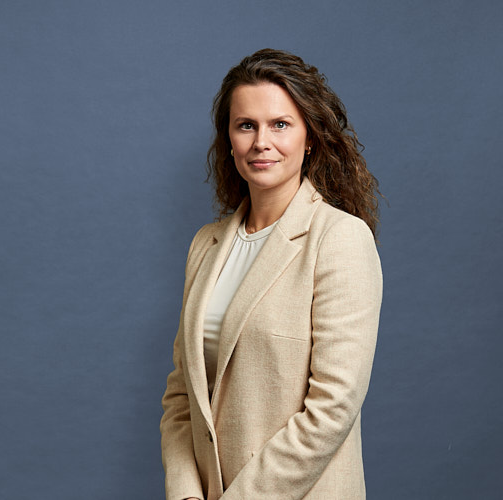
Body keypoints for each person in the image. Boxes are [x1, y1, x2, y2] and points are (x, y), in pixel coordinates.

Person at [159, 48, 383, 500]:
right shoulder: (206, 244)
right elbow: (182, 396)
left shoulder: (340, 239)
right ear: (229, 139)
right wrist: (185, 494)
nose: (262, 141)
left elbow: (332, 408)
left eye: (280, 124)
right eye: (246, 125)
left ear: (310, 138)